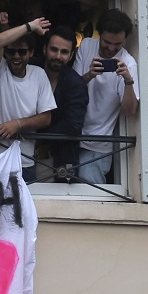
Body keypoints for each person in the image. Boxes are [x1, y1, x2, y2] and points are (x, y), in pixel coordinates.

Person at [73, 9, 139, 186]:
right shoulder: (86, 45)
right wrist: (89, 76)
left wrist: (128, 81)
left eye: (117, 44)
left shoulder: (128, 62)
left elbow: (130, 111)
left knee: (90, 196)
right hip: (72, 136)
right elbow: (69, 92)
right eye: (107, 42)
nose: (111, 48)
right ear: (99, 34)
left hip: (97, 146)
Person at [0, 15, 57, 182]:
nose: (16, 56)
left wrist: (17, 125)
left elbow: (46, 118)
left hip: (25, 162)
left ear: (31, 53)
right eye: (11, 51)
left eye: (22, 51)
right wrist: (31, 26)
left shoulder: (38, 74)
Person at [41, 25, 89, 182]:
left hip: (60, 159)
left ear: (71, 56)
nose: (58, 56)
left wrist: (37, 139)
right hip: (21, 153)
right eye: (54, 50)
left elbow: (73, 125)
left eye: (64, 52)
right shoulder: (32, 71)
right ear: (44, 50)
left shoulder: (76, 83)